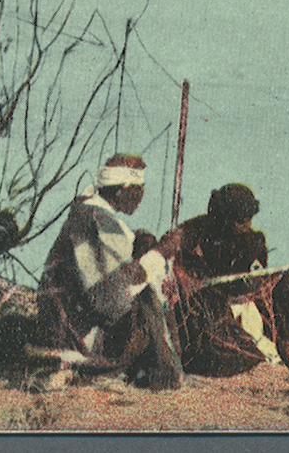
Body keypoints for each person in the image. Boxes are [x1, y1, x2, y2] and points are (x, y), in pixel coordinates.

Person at [38, 153, 184, 389]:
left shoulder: (87, 216)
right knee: (146, 299)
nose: (142, 195)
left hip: (69, 332)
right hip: (77, 341)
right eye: (139, 188)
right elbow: (112, 300)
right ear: (123, 189)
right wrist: (159, 255)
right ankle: (164, 378)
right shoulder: (95, 221)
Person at [174, 183, 289, 380]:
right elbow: (168, 257)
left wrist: (256, 283)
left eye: (249, 219)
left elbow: (257, 278)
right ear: (224, 216)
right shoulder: (195, 230)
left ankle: (282, 345)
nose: (247, 226)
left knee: (287, 286)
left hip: (242, 301)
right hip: (206, 306)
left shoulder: (254, 240)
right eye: (240, 221)